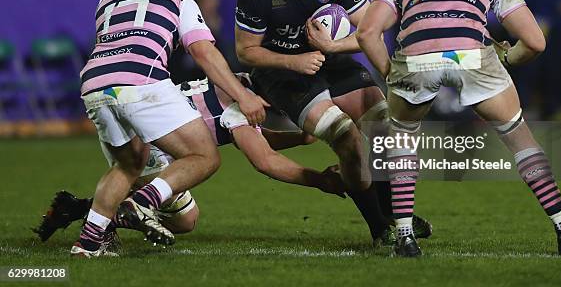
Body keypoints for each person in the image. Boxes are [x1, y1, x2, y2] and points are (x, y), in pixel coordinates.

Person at [356, 0, 561, 257]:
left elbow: (367, 33)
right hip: (472, 56)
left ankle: (406, 238)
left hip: (416, 59)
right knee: (519, 138)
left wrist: (391, 73)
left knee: (403, 137)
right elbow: (536, 41)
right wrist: (508, 58)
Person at [74, 0, 267, 257]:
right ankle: (142, 203)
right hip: (141, 82)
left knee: (128, 165)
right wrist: (242, 95)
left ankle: (89, 241)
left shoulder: (106, 0)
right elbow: (203, 51)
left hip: (95, 85)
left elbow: (142, 7)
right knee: (204, 156)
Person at [35, 76, 350, 250]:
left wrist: (298, 138)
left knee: (170, 209)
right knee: (185, 220)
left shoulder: (235, 87)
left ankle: (81, 210)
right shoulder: (241, 106)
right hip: (153, 147)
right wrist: (320, 180)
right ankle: (98, 226)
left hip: (136, 127)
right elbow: (264, 160)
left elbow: (252, 135)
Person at [234, 0, 398, 246]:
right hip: (281, 75)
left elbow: (369, 30)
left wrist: (332, 46)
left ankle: (394, 216)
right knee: (347, 138)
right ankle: (380, 228)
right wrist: (294, 61)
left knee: (383, 128)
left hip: (331, 60)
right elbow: (246, 51)